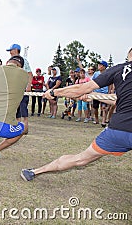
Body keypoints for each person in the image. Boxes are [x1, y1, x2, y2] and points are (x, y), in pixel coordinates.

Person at [21, 48, 132, 181]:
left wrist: (54, 93)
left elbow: (82, 88)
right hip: (123, 127)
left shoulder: (121, 69)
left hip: (120, 129)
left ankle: (34, 172)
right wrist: (94, 97)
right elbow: (118, 98)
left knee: (80, 159)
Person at [6, 44, 32, 133]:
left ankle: (25, 128)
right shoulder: (9, 61)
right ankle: (16, 128)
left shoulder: (24, 61)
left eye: (11, 50)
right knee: (15, 110)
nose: (10, 52)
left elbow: (30, 74)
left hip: (22, 89)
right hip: (14, 90)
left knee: (23, 109)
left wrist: (28, 86)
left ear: (16, 50)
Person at [92, 60, 109, 127]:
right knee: (95, 107)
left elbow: (110, 83)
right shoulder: (96, 74)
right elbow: (93, 82)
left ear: (104, 67)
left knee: (104, 107)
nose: (99, 66)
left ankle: (103, 121)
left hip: (104, 93)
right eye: (98, 64)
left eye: (100, 65)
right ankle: (96, 120)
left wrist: (110, 91)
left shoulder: (108, 73)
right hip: (96, 92)